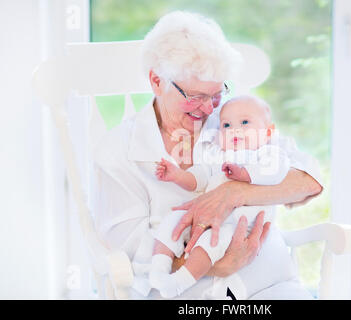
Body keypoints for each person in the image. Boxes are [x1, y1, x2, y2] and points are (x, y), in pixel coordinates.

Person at [92, 11, 323, 299]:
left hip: (268, 283)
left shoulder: (231, 120)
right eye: (195, 96)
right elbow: (127, 253)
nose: (208, 109)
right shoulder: (117, 152)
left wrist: (233, 193)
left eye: (215, 94)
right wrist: (214, 264)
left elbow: (308, 181)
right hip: (184, 293)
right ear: (156, 81)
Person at [149, 95, 291, 298]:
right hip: (207, 217)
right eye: (226, 125)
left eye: (244, 122)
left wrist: (244, 174)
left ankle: (181, 282)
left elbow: (277, 171)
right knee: (174, 220)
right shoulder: (218, 156)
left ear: (267, 132)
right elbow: (199, 177)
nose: (234, 129)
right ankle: (158, 270)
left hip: (241, 225)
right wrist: (178, 175)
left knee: (211, 242)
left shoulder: (267, 154)